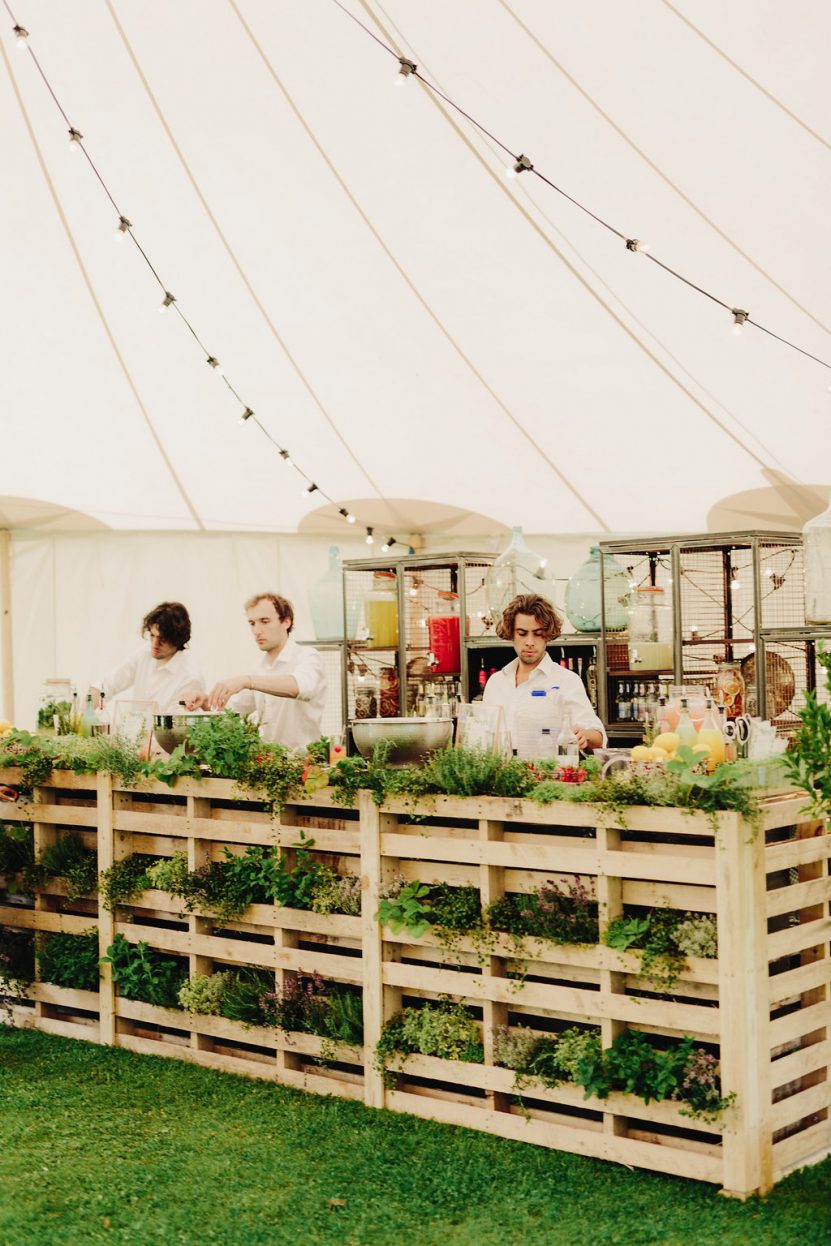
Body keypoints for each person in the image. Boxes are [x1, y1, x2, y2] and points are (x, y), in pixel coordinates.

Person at [190, 592, 325, 751]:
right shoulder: (258, 667)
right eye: (252, 623)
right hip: (270, 761)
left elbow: (300, 687)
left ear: (286, 622)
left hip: (307, 761)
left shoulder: (307, 657)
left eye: (264, 621)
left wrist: (247, 681)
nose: (256, 630)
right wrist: (206, 701)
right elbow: (233, 711)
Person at [483, 593, 605, 752]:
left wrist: (585, 736)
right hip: (500, 768)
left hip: (548, 767)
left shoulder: (566, 681)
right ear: (511, 633)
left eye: (538, 634)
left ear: (547, 635)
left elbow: (598, 737)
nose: (529, 642)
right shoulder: (496, 683)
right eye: (522, 633)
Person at [92, 602, 205, 715]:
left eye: (162, 639)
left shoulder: (190, 677)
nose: (154, 644)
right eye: (152, 635)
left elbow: (176, 722)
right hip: (135, 725)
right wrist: (86, 710)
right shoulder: (144, 654)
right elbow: (108, 685)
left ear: (178, 639)